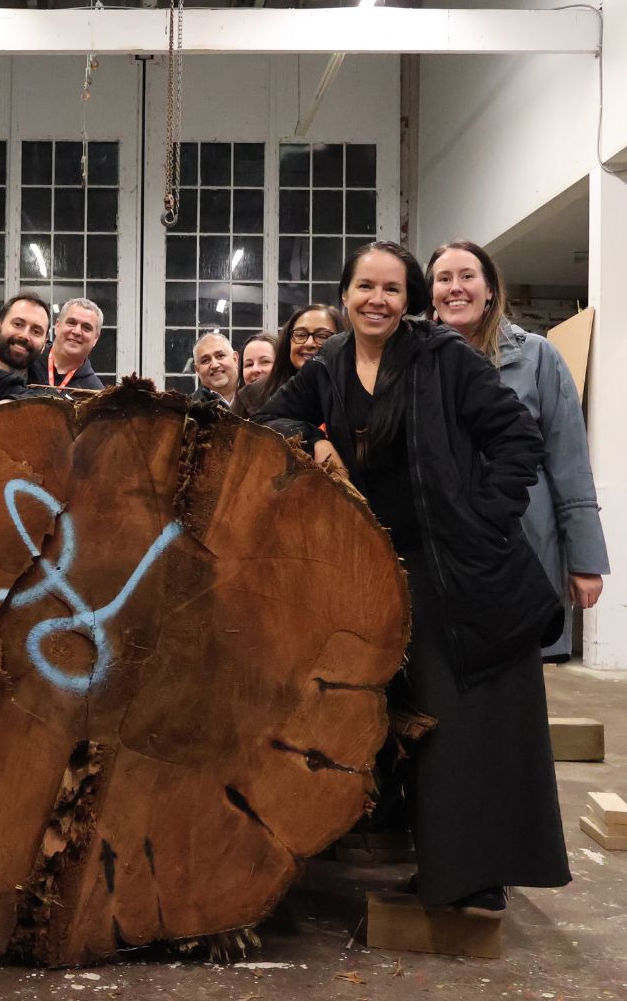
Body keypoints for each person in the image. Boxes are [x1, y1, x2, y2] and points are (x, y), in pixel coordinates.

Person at [254, 240, 569, 915]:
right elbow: (267, 416)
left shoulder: (443, 356)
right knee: (406, 720)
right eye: (365, 287)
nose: (377, 300)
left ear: (410, 300)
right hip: (379, 565)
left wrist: (484, 518)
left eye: (392, 289)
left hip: (457, 568)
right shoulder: (332, 361)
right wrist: (315, 439)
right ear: (345, 295)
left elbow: (517, 438)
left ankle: (472, 879)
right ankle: (444, 866)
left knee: (461, 722)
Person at [425, 240, 609, 663]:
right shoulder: (417, 360)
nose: (455, 288)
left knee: (522, 667)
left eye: (467, 276)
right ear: (431, 293)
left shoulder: (536, 356)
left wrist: (584, 561)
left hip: (525, 537)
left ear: (490, 289)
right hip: (445, 541)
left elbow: (569, 461)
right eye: (443, 278)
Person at [232, 304, 343, 418]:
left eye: (322, 336)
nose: (309, 343)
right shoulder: (252, 398)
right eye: (300, 334)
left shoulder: (350, 394)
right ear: (288, 342)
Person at [27, 297, 105, 390]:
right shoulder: (26, 362)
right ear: (57, 325)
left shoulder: (95, 392)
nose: (77, 332)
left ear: (96, 338)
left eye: (86, 327)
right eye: (71, 323)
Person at [0, 291, 51, 374]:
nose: (25, 335)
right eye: (17, 324)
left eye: (36, 332)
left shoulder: (45, 382)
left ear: (44, 344)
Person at [190, 331, 240, 405]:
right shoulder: (187, 408)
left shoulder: (257, 396)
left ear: (235, 359)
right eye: (205, 360)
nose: (214, 365)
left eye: (220, 356)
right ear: (197, 370)